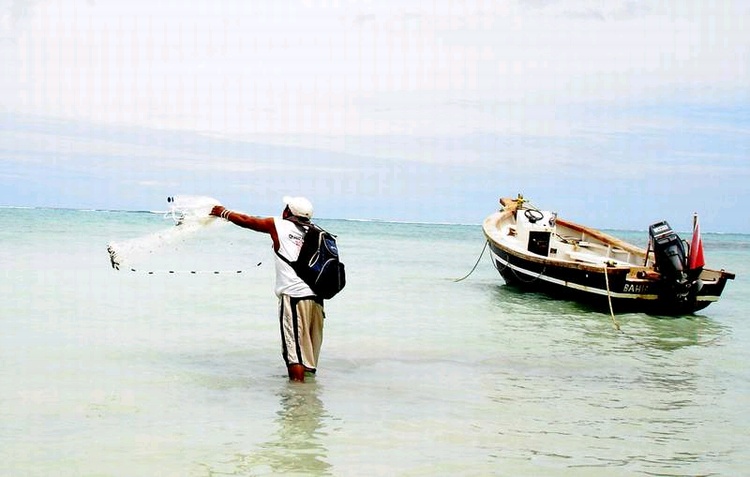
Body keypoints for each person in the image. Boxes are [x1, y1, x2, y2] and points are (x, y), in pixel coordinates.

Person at [210, 196, 325, 382]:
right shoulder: (317, 232)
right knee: (308, 352)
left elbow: (248, 221)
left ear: (287, 212)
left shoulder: (279, 225)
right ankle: (308, 398)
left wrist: (222, 212)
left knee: (293, 352)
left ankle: (297, 398)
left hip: (294, 297)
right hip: (317, 299)